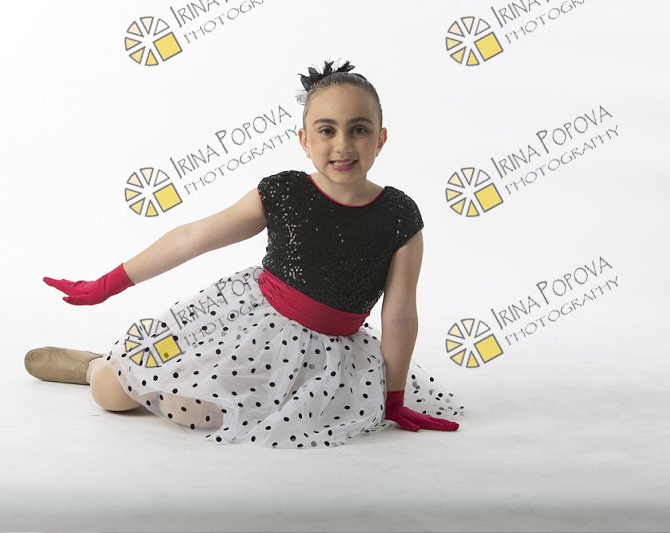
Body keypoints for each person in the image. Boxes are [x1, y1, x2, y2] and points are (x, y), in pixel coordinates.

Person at [25, 59, 465, 448]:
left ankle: (134, 369)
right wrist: (107, 284)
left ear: (381, 138)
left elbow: (400, 314)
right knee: (113, 393)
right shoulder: (284, 191)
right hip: (245, 324)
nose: (343, 145)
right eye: (326, 130)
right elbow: (192, 237)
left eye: (359, 130)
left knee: (206, 412)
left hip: (329, 358)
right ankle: (95, 366)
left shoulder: (399, 215)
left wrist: (393, 398)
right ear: (304, 139)